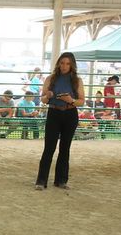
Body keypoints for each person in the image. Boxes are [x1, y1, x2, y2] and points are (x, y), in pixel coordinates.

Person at [35, 51, 85, 190]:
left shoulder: (77, 80)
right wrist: (48, 95)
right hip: (54, 112)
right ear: (58, 64)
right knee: (49, 148)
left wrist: (71, 100)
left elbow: (81, 101)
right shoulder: (50, 79)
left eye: (67, 63)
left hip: (70, 113)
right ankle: (41, 180)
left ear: (72, 65)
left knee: (65, 148)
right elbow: (43, 99)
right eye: (62, 63)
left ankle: (61, 180)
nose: (64, 66)